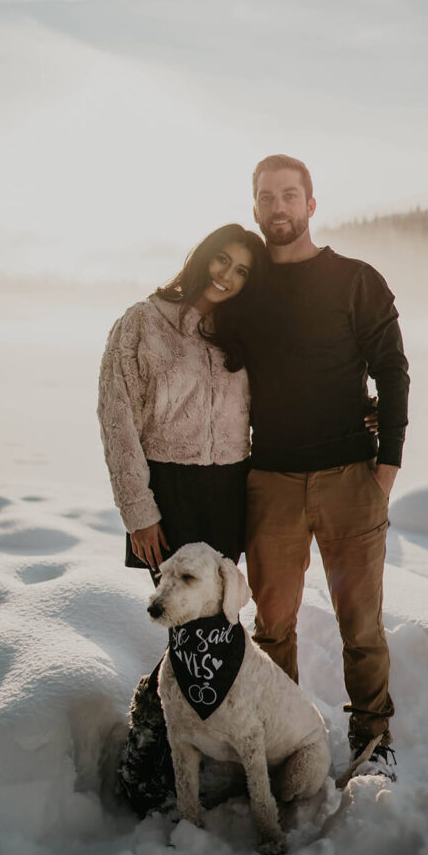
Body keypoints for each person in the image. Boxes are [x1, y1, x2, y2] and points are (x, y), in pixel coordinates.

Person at [238, 154, 410, 779]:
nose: (277, 207)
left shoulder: (356, 280)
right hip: (271, 480)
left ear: (311, 204)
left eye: (289, 195)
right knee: (273, 625)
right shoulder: (245, 292)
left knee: (360, 624)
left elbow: (391, 370)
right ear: (254, 207)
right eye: (265, 197)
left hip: (349, 478)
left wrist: (385, 466)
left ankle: (372, 741)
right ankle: (286, 742)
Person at [97, 223, 268, 814]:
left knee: (209, 633)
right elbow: (116, 419)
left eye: (242, 270)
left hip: (228, 494)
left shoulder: (239, 333)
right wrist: (139, 512)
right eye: (221, 260)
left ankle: (187, 763)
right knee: (185, 631)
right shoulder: (142, 323)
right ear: (201, 258)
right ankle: (145, 763)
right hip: (168, 491)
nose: (227, 276)